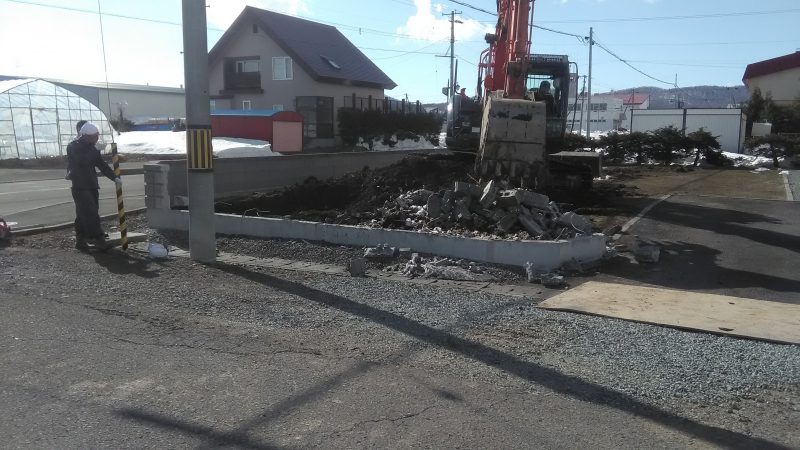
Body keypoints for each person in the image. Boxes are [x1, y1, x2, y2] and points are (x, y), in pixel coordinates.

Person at [66, 122, 121, 250]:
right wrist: (93, 150)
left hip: (91, 185)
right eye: (95, 136)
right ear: (86, 136)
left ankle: (81, 240)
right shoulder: (73, 147)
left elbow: (102, 165)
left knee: (83, 213)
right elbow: (81, 160)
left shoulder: (92, 149)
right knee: (90, 213)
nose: (97, 138)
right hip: (80, 186)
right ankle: (98, 239)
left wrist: (114, 178)